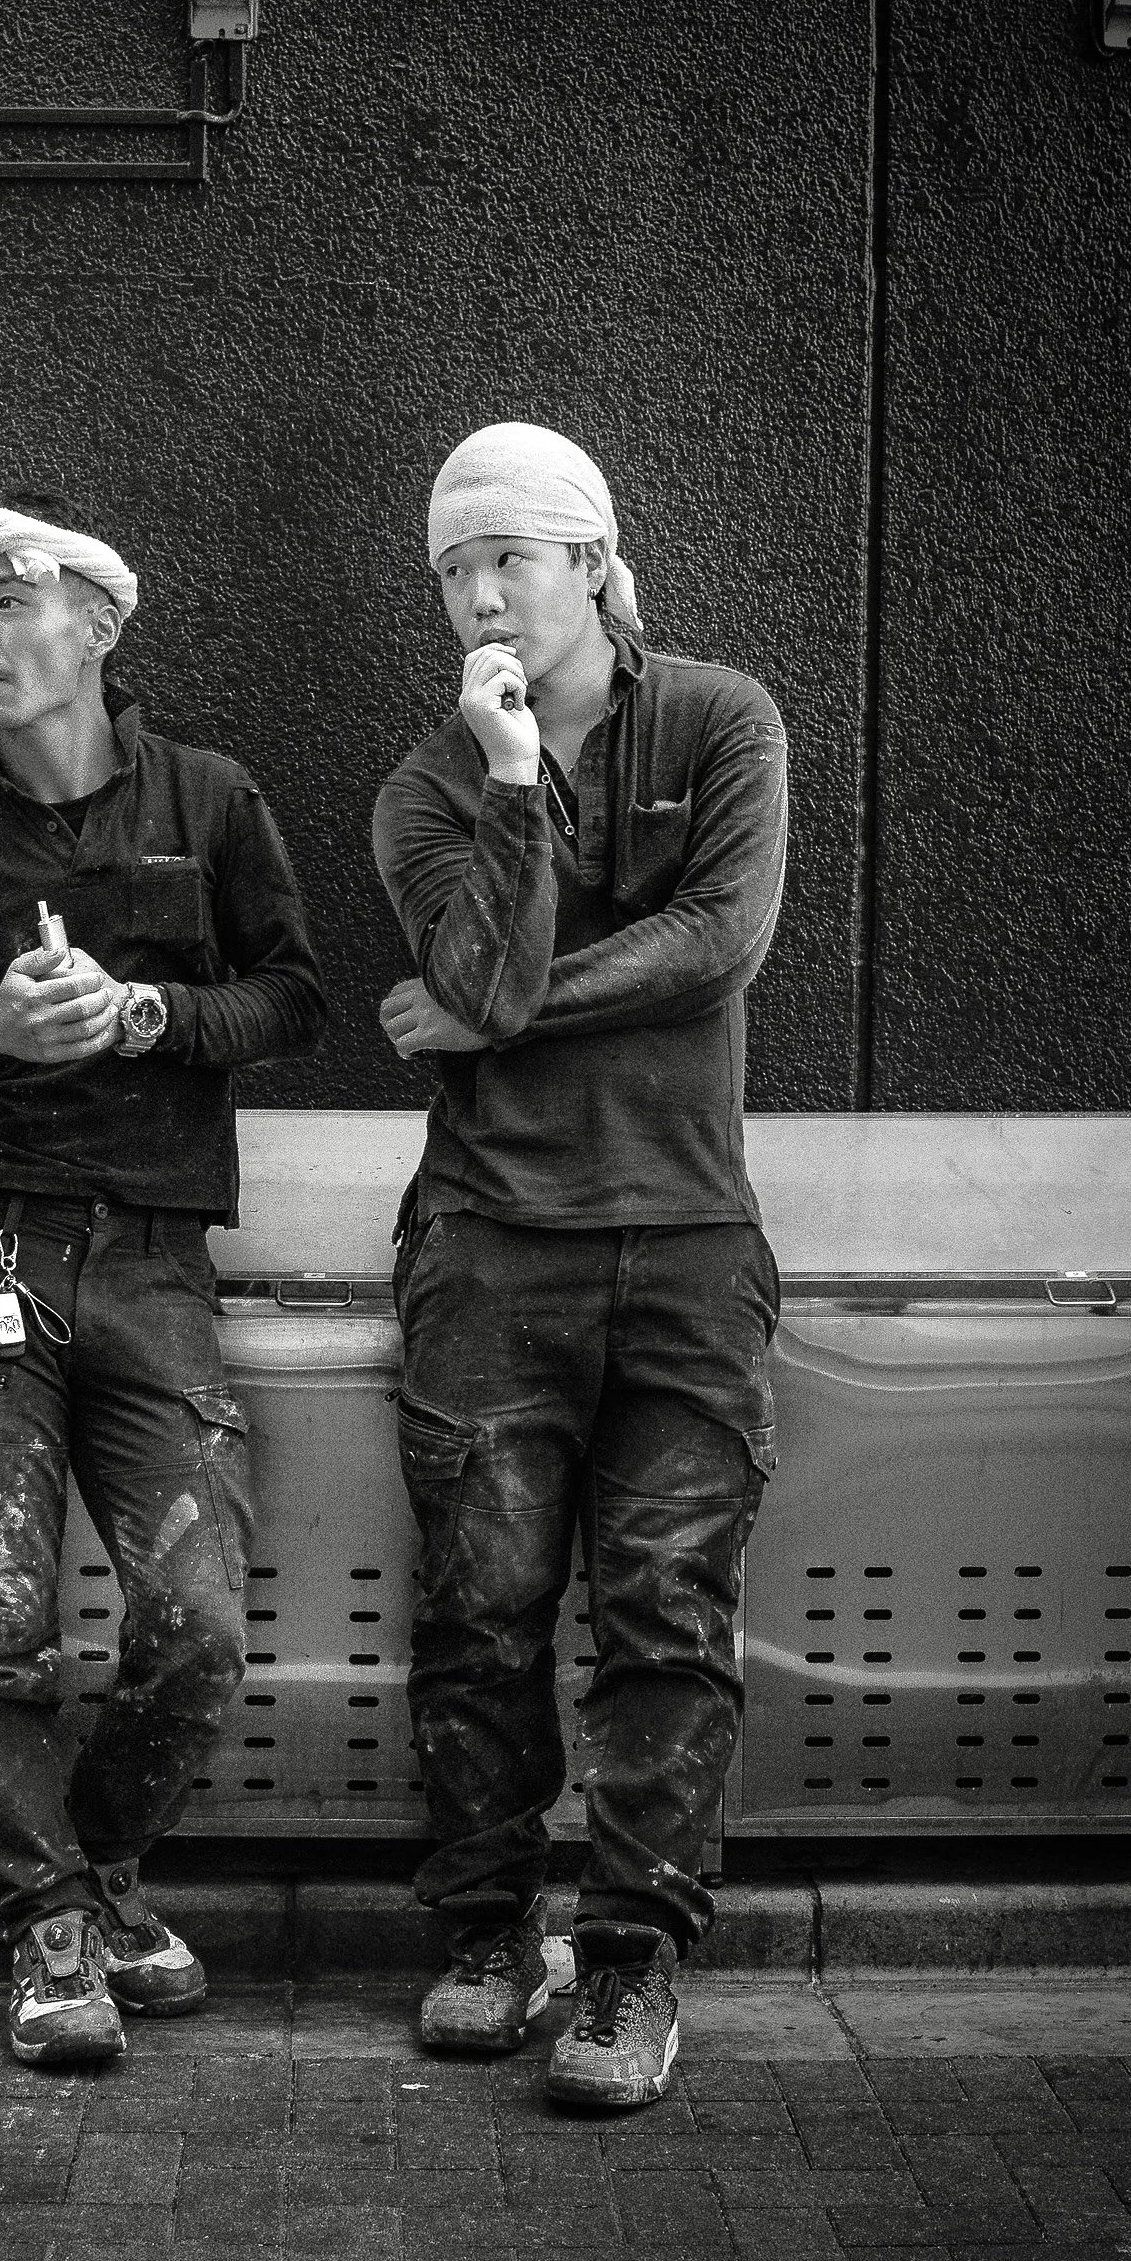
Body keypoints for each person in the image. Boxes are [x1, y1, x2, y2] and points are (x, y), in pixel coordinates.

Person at [0, 475, 325, 2066]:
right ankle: (46, 1929)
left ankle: (103, 1868)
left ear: (98, 623)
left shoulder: (209, 799)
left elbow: (295, 996)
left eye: (8, 606)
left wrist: (149, 1019)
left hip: (155, 1267)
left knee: (196, 1619)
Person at [369, 422, 788, 2108]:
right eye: (452, 572)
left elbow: (723, 942)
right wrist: (516, 777)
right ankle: (487, 1934)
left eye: (508, 561)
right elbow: (480, 956)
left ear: (595, 565)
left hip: (689, 1238)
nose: (477, 596)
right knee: (481, 1613)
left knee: (667, 1615)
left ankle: (629, 1969)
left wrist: (492, 1013)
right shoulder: (427, 785)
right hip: (489, 1246)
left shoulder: (721, 720)